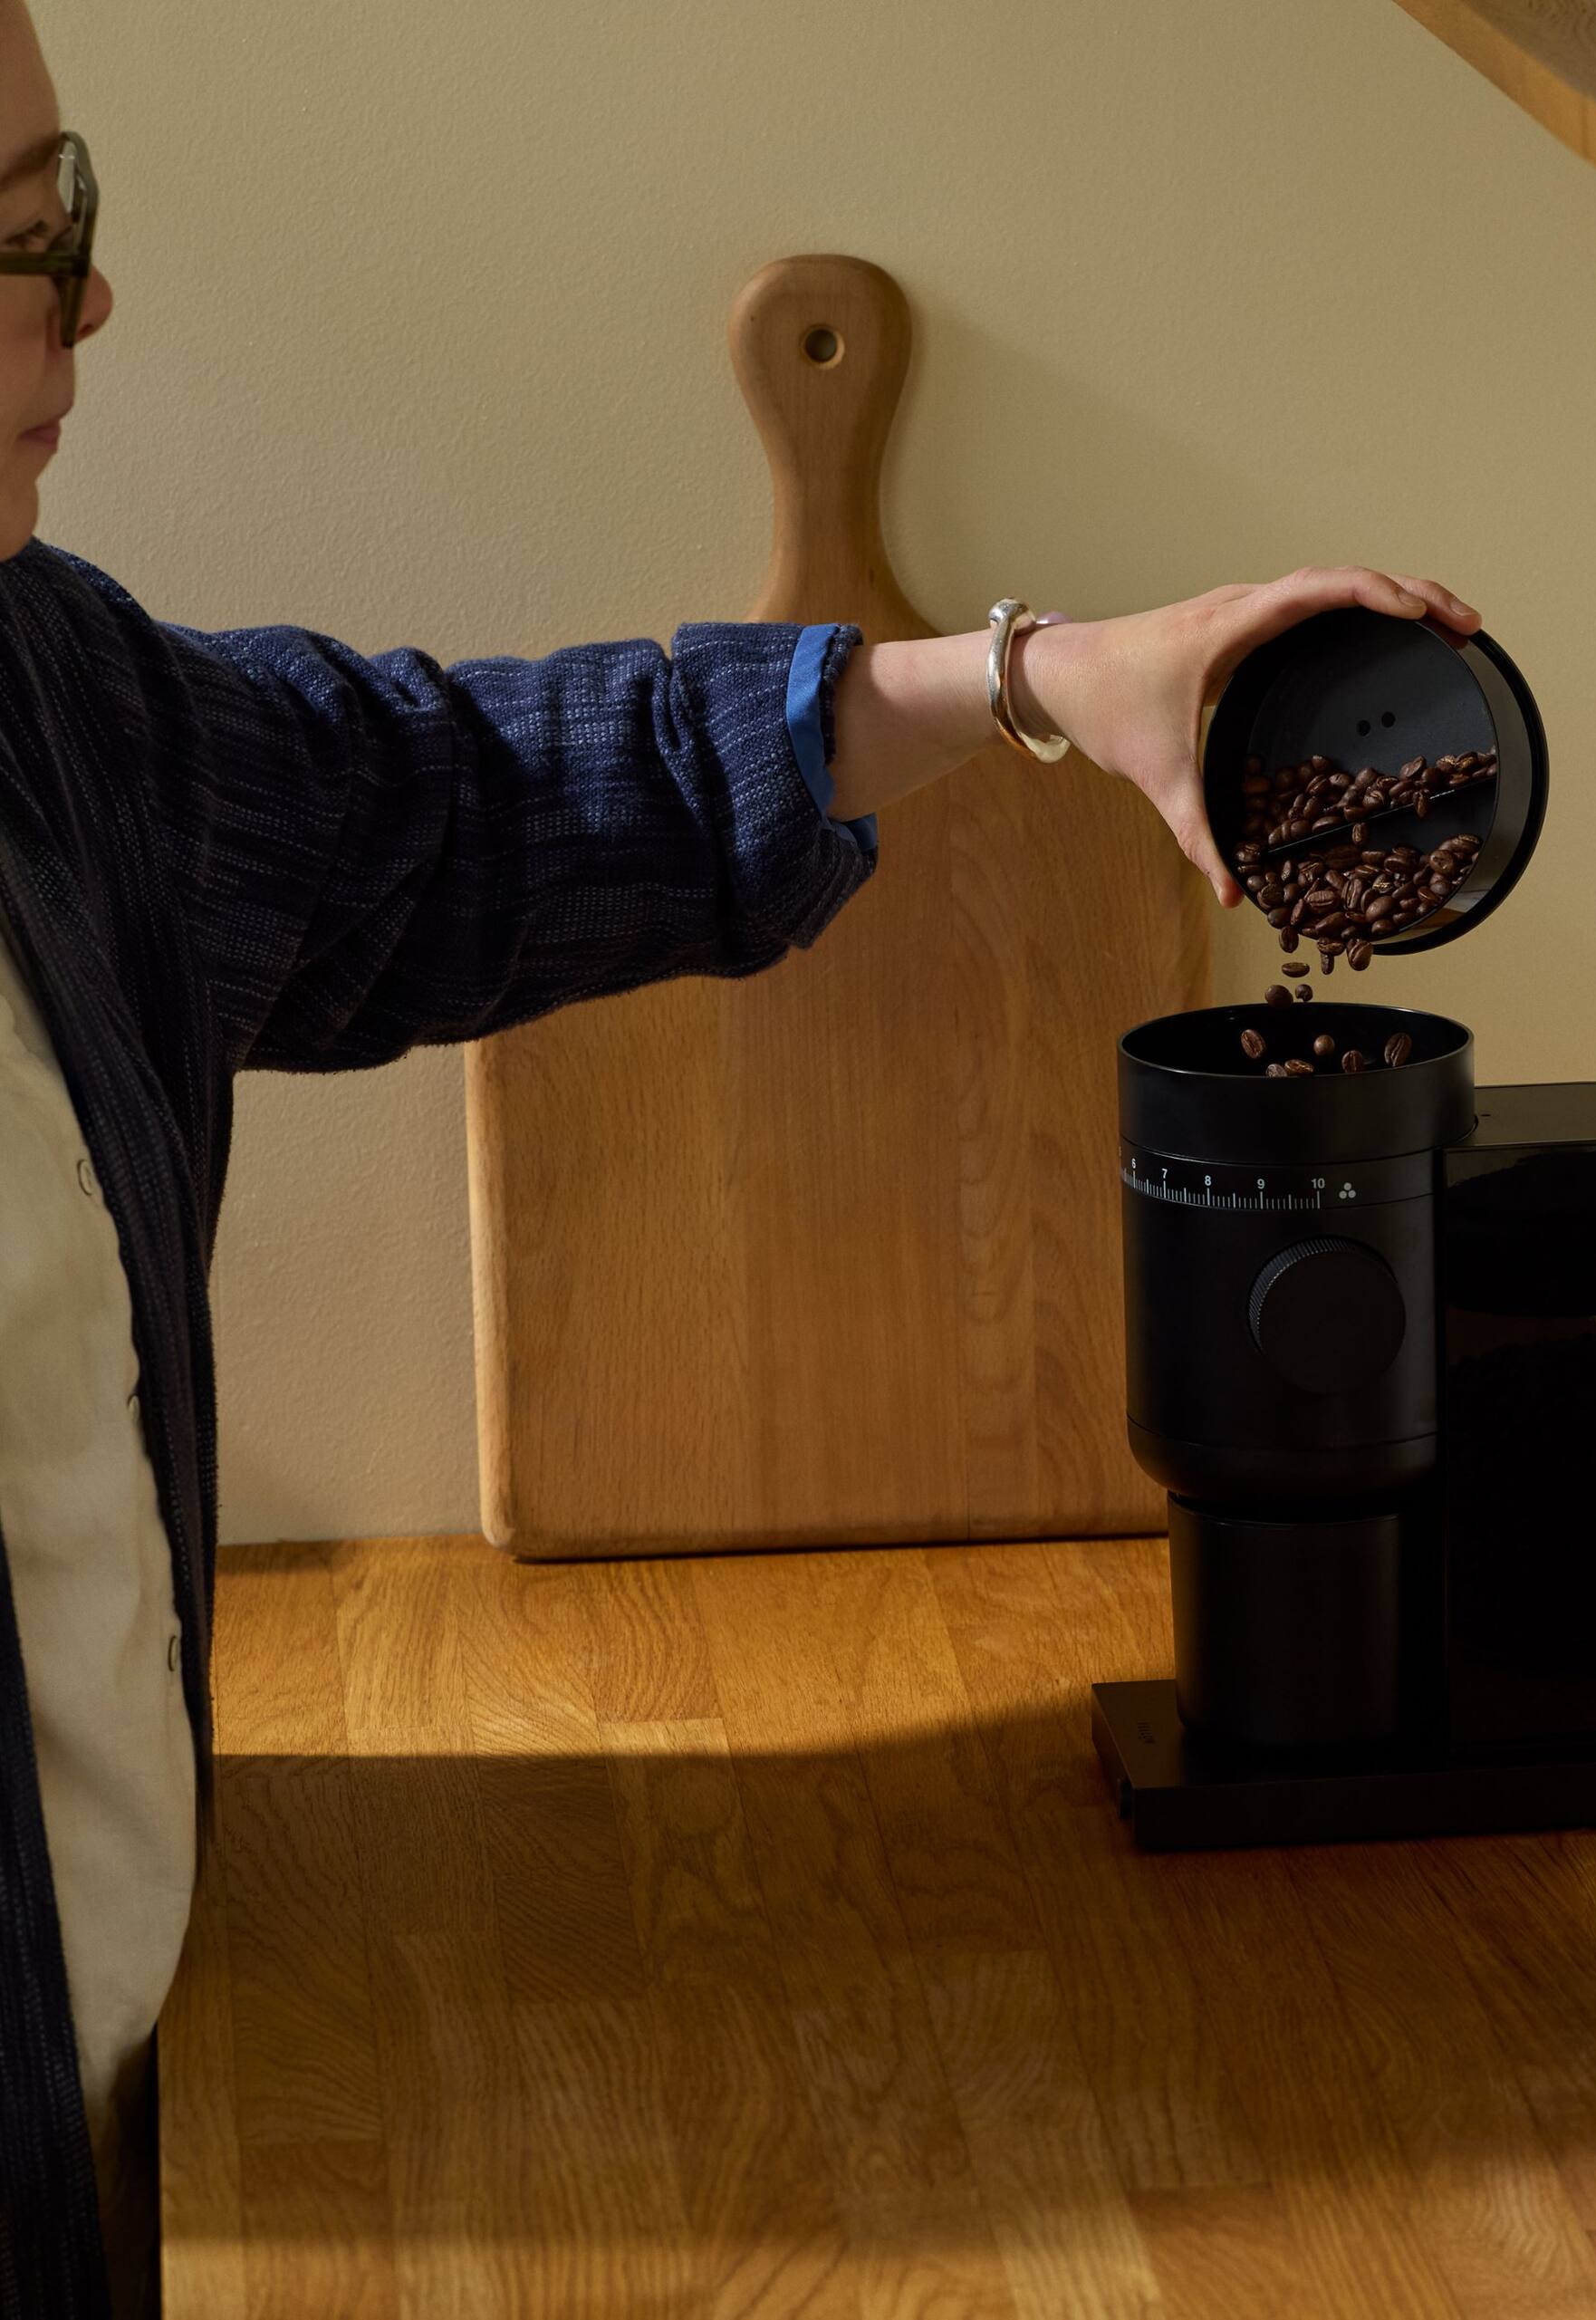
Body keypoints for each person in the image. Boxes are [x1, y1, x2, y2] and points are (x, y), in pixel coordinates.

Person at [0, 10, 1477, 2310]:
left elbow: (452, 805)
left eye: (68, 206)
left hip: (102, 2093)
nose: (90, 299)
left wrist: (1037, 679)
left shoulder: (47, 715)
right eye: (21, 237)